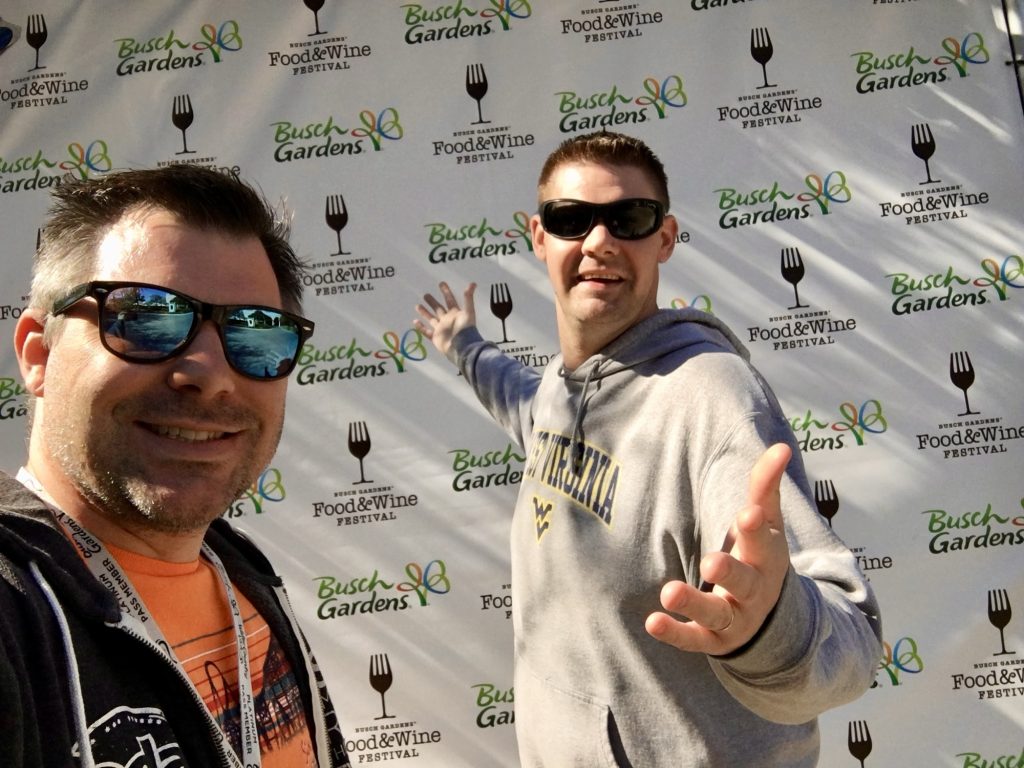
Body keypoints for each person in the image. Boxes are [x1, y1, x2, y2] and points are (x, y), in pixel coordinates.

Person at [414, 131, 882, 767]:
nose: (599, 241)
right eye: (571, 219)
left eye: (628, 218)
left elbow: (851, 641)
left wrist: (771, 631)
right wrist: (463, 345)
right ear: (540, 237)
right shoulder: (561, 389)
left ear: (664, 238)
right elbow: (526, 406)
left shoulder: (711, 394)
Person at [0, 165, 351, 768]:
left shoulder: (240, 568)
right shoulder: (14, 612)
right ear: (39, 354)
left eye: (257, 333)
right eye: (147, 317)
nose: (210, 376)